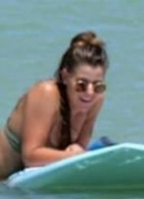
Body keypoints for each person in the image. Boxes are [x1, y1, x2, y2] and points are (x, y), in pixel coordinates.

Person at [0, 31, 110, 181]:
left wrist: (78, 152)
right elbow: (31, 156)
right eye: (81, 84)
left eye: (98, 85)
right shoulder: (46, 93)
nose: (89, 93)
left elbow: (79, 148)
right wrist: (70, 155)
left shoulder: (96, 99)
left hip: (21, 184)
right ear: (65, 77)